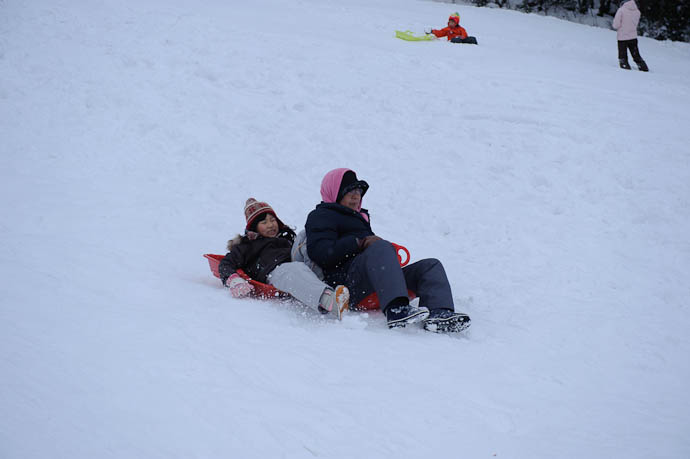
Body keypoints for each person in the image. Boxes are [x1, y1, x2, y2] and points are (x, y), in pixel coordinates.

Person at [304, 168, 471, 333]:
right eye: (349, 191)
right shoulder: (321, 216)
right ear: (335, 192)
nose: (356, 195)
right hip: (349, 284)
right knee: (380, 246)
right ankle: (397, 309)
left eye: (358, 190)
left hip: (376, 281)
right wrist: (359, 243)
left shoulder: (358, 218)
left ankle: (439, 314)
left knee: (430, 266)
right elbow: (321, 253)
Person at [218, 198, 349, 319]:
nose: (270, 225)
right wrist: (234, 280)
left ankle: (338, 282)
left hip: (298, 265)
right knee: (294, 270)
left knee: (307, 236)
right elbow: (226, 263)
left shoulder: (286, 237)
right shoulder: (247, 245)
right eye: (264, 222)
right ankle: (328, 301)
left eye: (272, 220)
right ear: (254, 228)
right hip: (276, 271)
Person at [612, 0, 649, 71]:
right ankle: (644, 68)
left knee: (622, 57)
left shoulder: (621, 10)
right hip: (633, 37)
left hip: (622, 37)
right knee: (636, 55)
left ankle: (626, 70)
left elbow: (615, 25)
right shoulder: (637, 12)